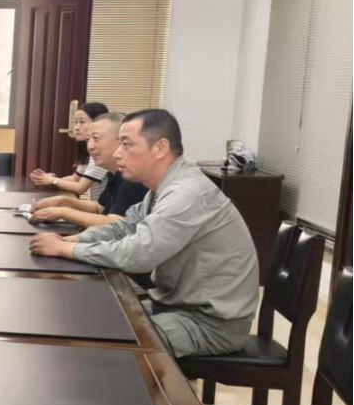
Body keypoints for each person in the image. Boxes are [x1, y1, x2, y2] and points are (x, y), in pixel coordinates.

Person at [29, 109, 259, 358]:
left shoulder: (186, 193)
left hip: (209, 324)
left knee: (106, 344)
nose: (117, 153)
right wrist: (72, 239)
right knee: (89, 320)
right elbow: (125, 227)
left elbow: (138, 253)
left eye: (126, 144)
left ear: (160, 148)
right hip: (174, 305)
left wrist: (68, 249)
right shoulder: (163, 188)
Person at [30, 112, 147, 230]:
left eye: (96, 139)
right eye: (88, 140)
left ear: (121, 141)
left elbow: (115, 224)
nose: (90, 146)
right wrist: (63, 201)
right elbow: (99, 208)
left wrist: (63, 212)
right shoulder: (114, 173)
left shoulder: (133, 177)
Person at [28, 101, 109, 199]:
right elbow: (75, 178)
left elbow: (80, 188)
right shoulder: (90, 153)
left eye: (82, 122)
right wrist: (46, 179)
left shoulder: (101, 154)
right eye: (75, 122)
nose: (76, 128)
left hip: (102, 208)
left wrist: (53, 181)